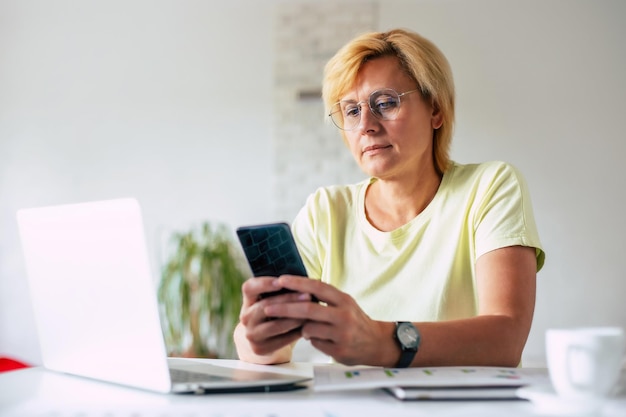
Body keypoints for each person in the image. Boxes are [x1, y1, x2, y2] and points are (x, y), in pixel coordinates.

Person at [234, 28, 545, 368]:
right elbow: (266, 348)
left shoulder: (489, 188)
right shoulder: (326, 211)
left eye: (385, 103)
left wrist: (383, 342)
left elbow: (506, 340)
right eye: (351, 111)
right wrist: (258, 341)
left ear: (436, 110)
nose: (366, 125)